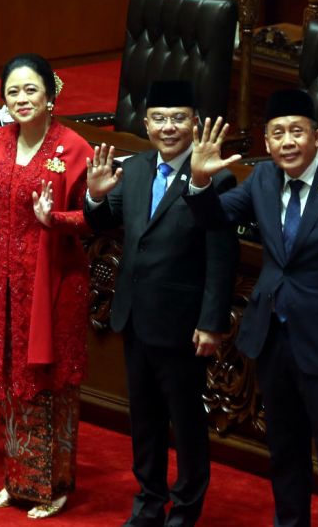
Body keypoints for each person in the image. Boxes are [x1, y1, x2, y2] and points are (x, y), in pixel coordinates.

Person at [183, 89, 318, 527]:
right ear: (267, 142)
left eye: (297, 131)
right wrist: (198, 181)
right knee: (285, 453)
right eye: (277, 134)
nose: (287, 142)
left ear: (317, 136)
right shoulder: (261, 180)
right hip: (274, 340)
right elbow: (212, 218)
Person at [0, 53, 93, 519]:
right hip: (1, 285)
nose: (22, 99)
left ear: (51, 95)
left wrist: (58, 218)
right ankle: (18, 480)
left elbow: (97, 220)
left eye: (31, 90)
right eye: (13, 91)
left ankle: (53, 484)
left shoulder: (73, 148)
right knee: (8, 382)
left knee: (48, 383)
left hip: (53, 287)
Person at [83, 80, 238, 527]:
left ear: (194, 123)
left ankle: (185, 510)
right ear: (146, 123)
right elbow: (101, 219)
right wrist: (94, 194)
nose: (169, 127)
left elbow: (221, 257)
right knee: (145, 417)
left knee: (186, 421)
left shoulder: (215, 177)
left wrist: (211, 322)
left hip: (183, 322)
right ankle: (149, 502)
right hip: (135, 316)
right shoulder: (135, 168)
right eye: (160, 119)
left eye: (179, 118)